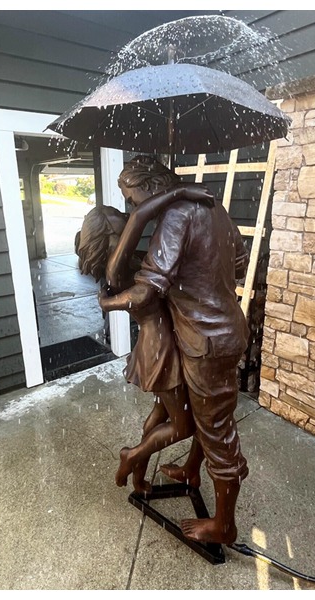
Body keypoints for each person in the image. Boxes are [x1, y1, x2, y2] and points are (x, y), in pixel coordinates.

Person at [98, 155, 250, 545]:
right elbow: (240, 258)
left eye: (134, 198)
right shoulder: (213, 206)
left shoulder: (177, 217)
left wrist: (108, 304)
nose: (134, 207)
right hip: (228, 330)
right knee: (205, 416)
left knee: (217, 433)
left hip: (205, 341)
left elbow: (147, 289)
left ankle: (223, 527)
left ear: (151, 185)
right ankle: (191, 471)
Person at [77, 180, 211, 495]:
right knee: (184, 425)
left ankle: (139, 480)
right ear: (108, 232)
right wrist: (180, 193)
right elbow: (139, 219)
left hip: (165, 342)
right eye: (117, 216)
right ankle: (131, 456)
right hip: (160, 348)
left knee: (160, 416)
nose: (125, 216)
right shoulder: (116, 267)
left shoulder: (130, 260)